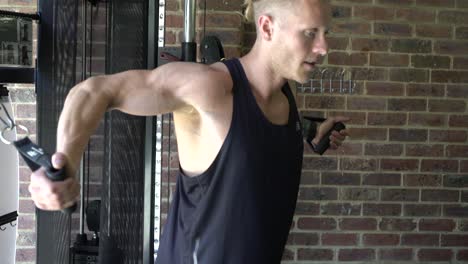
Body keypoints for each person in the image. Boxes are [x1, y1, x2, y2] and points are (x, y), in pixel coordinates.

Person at [29, 0, 349, 263]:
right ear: (267, 27)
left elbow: (253, 142)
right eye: (310, 33)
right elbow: (94, 92)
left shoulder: (284, 99)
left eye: (325, 33)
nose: (323, 47)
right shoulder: (210, 88)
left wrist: (309, 131)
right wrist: (62, 165)